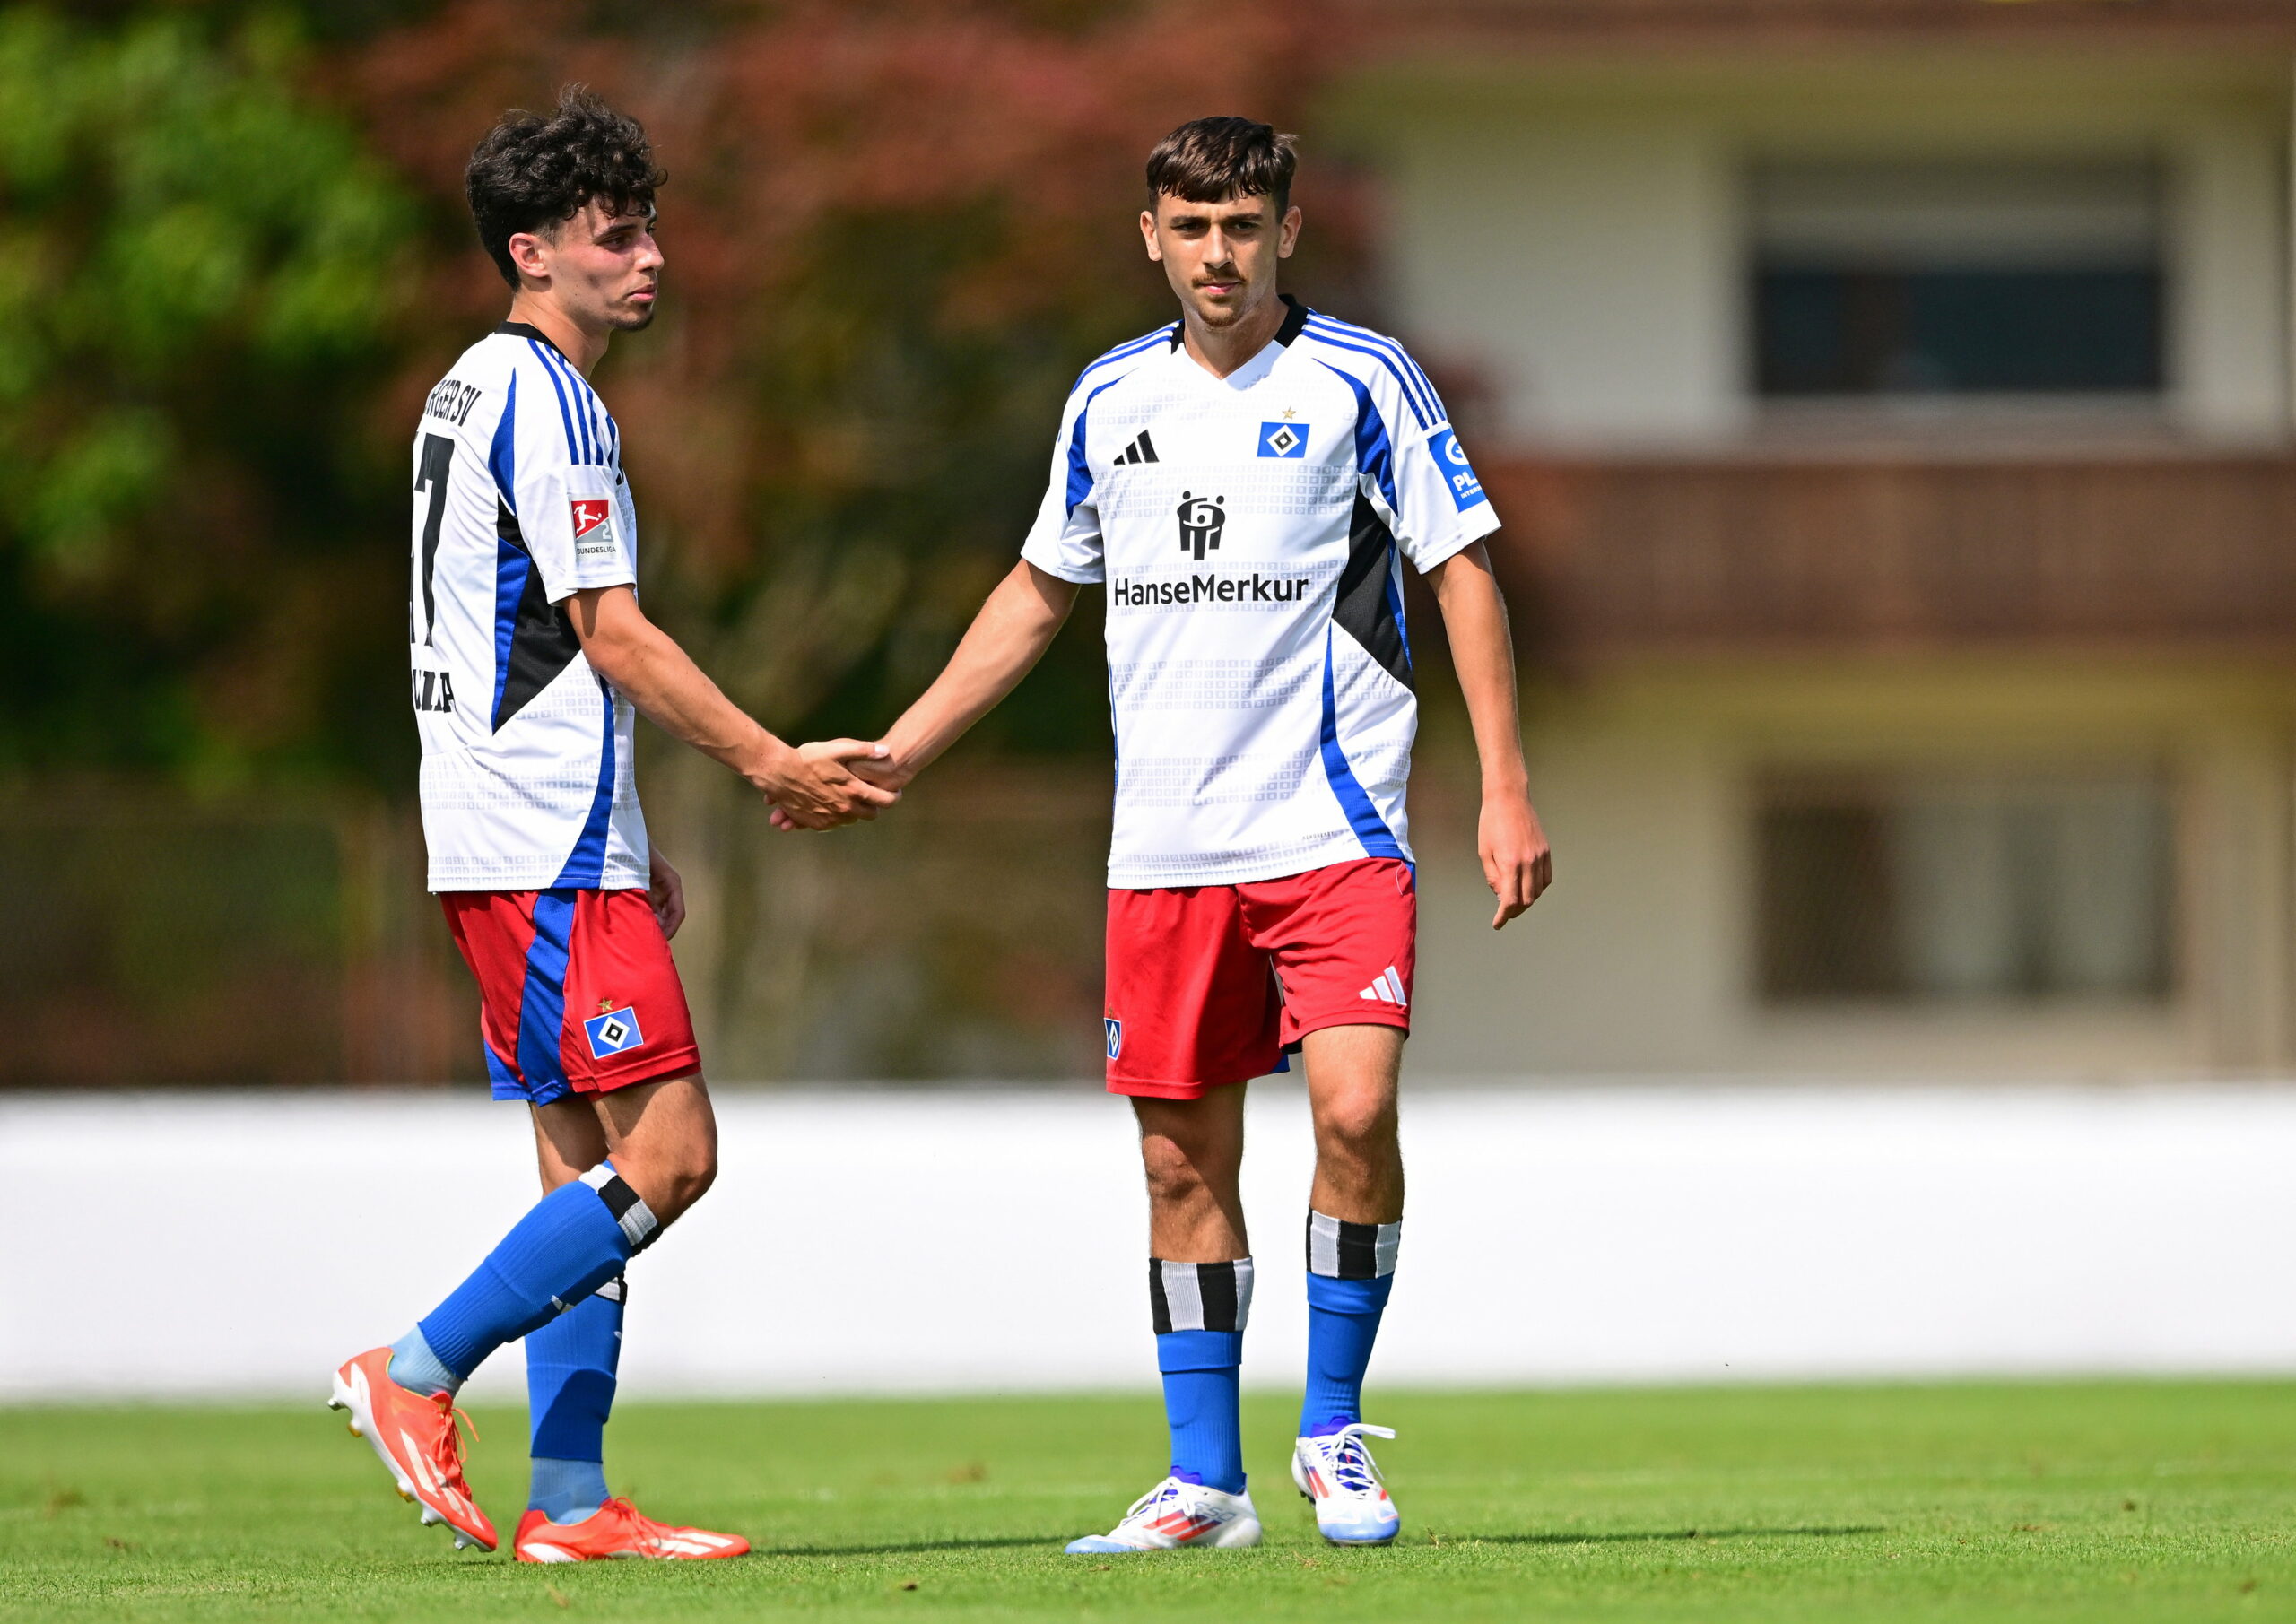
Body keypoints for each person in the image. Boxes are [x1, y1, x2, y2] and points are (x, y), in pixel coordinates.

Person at [832, 116, 1552, 1551]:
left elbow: (1462, 571)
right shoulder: (1106, 401)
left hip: (1334, 827)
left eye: (1243, 225)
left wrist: (1505, 782)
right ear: (1148, 235)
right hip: (1163, 847)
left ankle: (1334, 1432)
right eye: (1190, 225)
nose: (1217, 253)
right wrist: (903, 749)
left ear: (1286, 231)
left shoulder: (1361, 380)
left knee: (1353, 1109)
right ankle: (1204, 1486)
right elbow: (1039, 591)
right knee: (1179, 1165)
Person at [332, 86, 894, 1561]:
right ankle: (413, 1372)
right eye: (615, 237)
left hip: (509, 830)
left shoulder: (463, 387)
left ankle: (569, 1498)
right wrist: (770, 761)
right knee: (672, 1160)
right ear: (532, 252)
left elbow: (521, 638)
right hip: (537, 839)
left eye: (650, 231)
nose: (649, 260)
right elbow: (613, 635)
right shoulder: (550, 399)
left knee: (579, 1167)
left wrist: (631, 833)